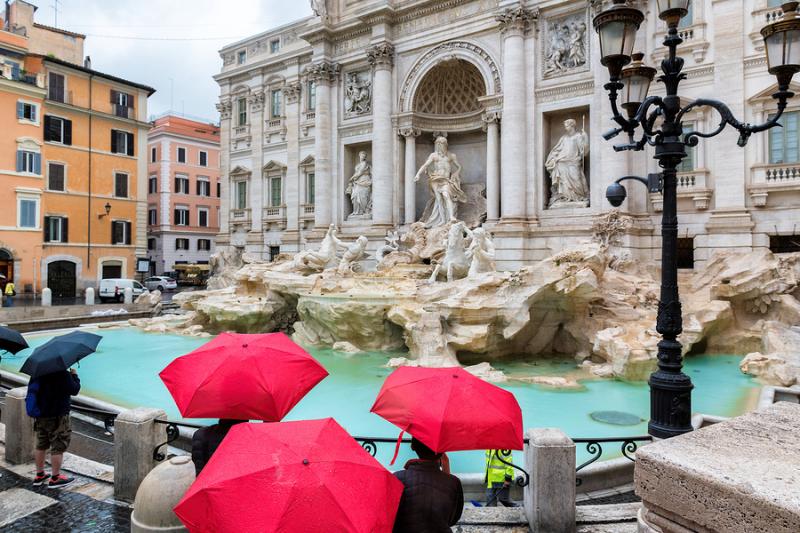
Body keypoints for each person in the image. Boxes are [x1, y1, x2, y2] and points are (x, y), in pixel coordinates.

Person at [392, 437, 463, 533]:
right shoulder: (454, 482)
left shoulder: (397, 478)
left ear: (413, 446)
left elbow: (391, 518)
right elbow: (452, 519)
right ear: (442, 451)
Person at [27, 368, 81, 488]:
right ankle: (55, 478)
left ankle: (39, 475)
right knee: (58, 446)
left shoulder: (37, 372)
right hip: (58, 416)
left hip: (41, 415)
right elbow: (75, 389)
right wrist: (75, 376)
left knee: (41, 444)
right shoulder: (62, 373)